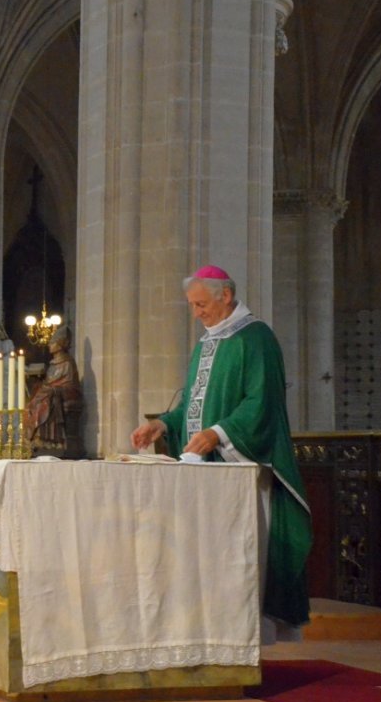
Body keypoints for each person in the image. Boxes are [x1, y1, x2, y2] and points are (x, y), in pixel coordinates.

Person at [130, 264, 312, 635]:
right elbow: (194, 407)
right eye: (193, 306)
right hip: (204, 473)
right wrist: (163, 423)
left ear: (225, 296)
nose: (196, 314)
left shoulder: (256, 339)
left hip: (242, 467)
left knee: (242, 557)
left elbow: (262, 403)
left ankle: (246, 634)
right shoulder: (206, 345)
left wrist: (218, 433)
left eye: (200, 305)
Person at [24, 325, 85, 457]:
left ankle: (50, 441)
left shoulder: (68, 362)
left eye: (53, 342)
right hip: (50, 392)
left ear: (60, 344)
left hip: (62, 394)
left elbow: (70, 385)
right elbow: (49, 382)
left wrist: (53, 389)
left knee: (45, 400)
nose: (49, 345)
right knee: (32, 402)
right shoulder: (52, 364)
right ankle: (35, 440)